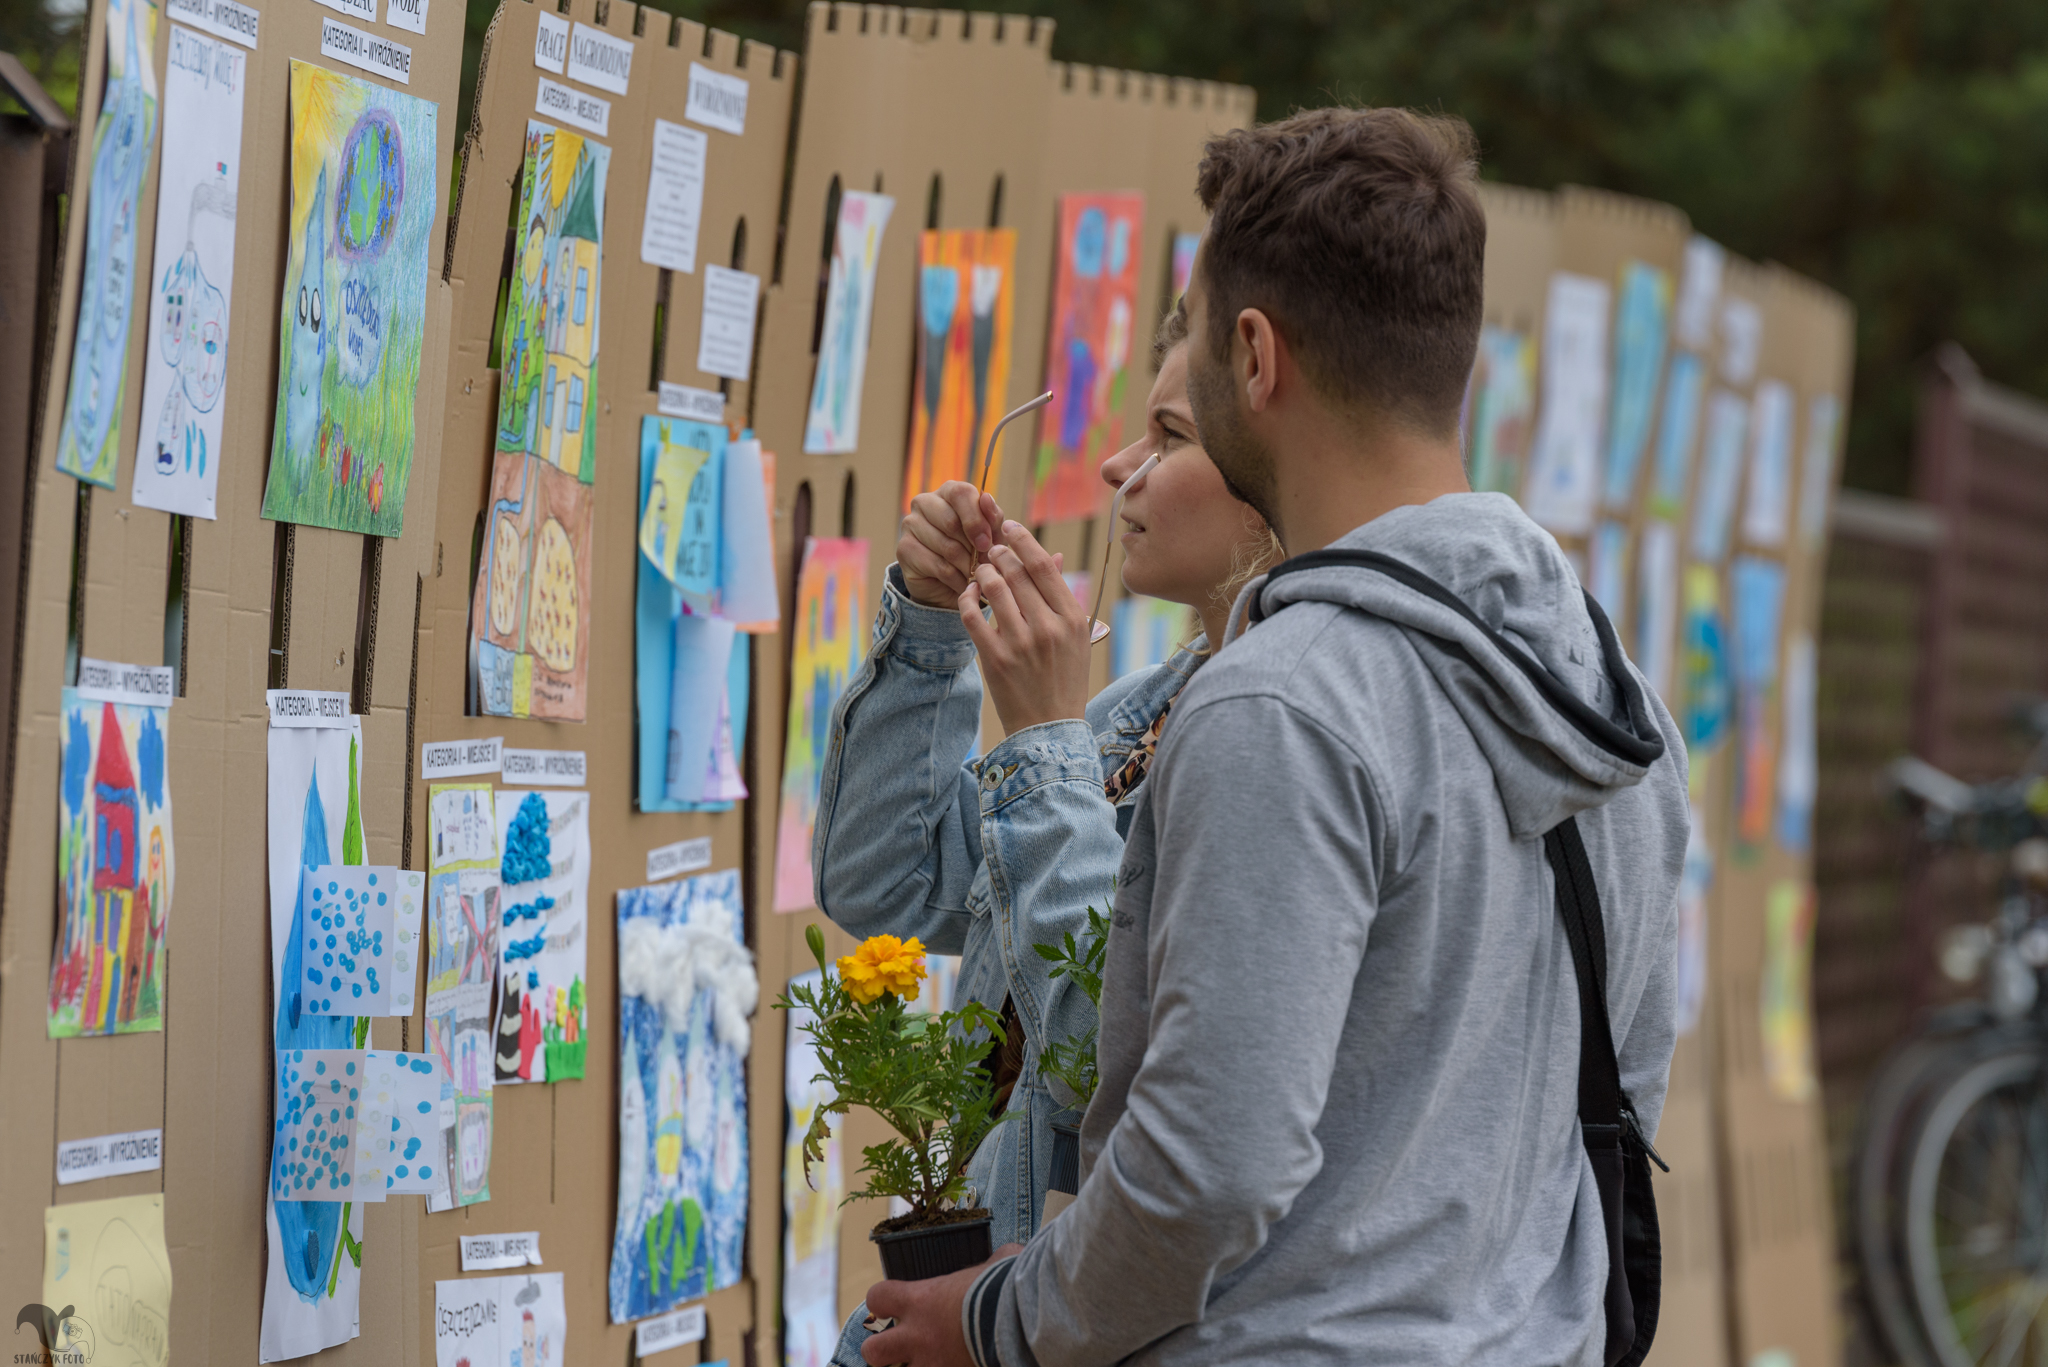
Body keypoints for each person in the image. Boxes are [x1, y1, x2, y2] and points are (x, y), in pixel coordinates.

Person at [862, 106, 1689, 1367]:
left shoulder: (1280, 705)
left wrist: (996, 1321)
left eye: (1187, 339)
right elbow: (1620, 1092)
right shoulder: (1606, 689)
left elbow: (1203, 1164)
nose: (1143, 432)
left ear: (1252, 354)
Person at [809, 310, 1279, 1366]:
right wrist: (929, 630)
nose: (1117, 465)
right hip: (966, 1310)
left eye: (1165, 436)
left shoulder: (1266, 747)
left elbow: (1094, 1060)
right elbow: (880, 881)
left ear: (1269, 477)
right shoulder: (1134, 710)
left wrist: (1040, 742)